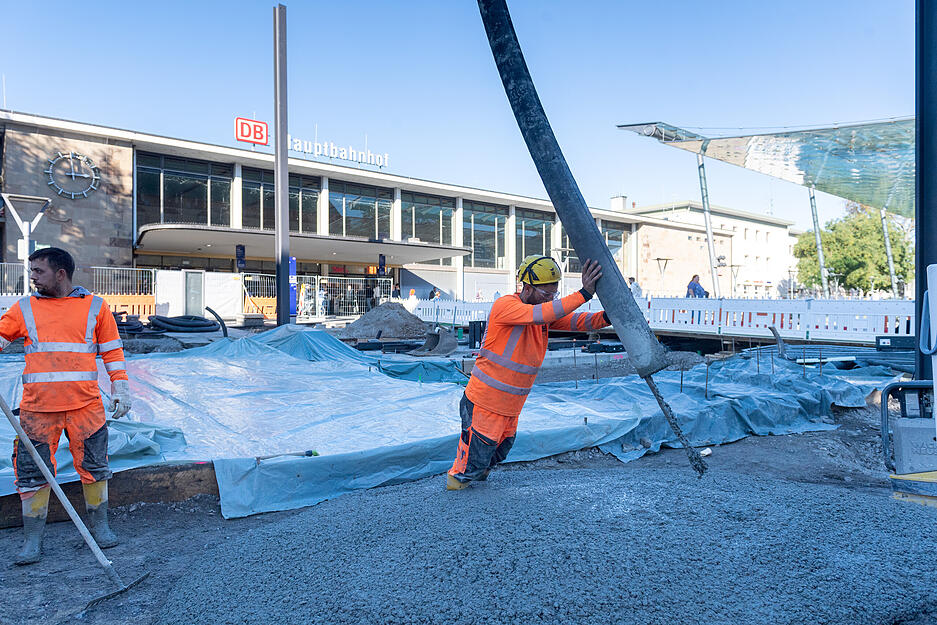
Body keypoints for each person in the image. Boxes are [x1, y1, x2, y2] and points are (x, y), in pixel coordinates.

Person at [4, 248, 132, 564]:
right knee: (32, 473)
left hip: (85, 408)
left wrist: (121, 387)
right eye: (31, 271)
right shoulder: (24, 309)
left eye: (38, 271)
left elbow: (113, 354)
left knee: (95, 468)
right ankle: (32, 542)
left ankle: (100, 528)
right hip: (37, 410)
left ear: (60, 273)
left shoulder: (95, 308)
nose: (32, 277)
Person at [447, 255, 609, 490]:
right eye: (545, 294)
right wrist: (584, 293)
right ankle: (457, 495)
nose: (550, 298)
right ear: (527, 287)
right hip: (485, 401)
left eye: (553, 294)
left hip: (511, 405)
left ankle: (475, 492)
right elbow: (543, 313)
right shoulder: (508, 306)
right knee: (471, 460)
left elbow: (578, 322)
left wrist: (607, 317)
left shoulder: (542, 314)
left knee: (496, 453)